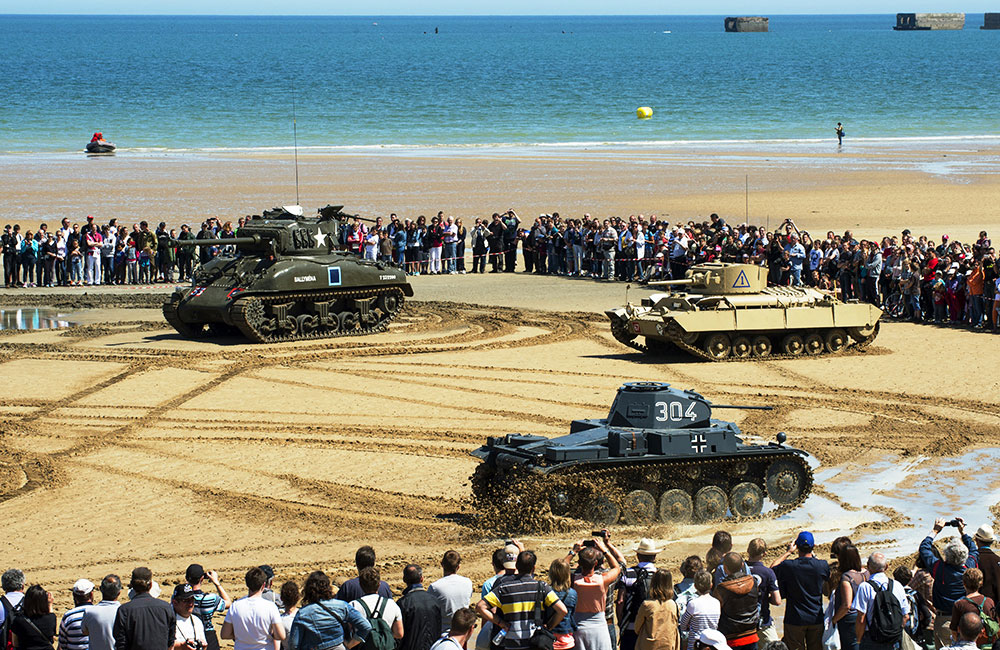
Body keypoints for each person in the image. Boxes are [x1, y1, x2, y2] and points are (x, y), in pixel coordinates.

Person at [476, 550, 568, 650]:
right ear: (533, 568)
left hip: (512, 644)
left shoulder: (504, 588)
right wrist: (549, 627)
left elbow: (480, 606)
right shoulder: (542, 587)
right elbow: (562, 610)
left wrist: (500, 623)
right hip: (535, 643)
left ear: (517, 566)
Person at [918, 518, 978, 649]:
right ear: (965, 556)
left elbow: (924, 549)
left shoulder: (939, 568)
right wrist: (963, 532)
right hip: (965, 619)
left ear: (946, 555)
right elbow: (974, 550)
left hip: (944, 619)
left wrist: (935, 531)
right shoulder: (969, 567)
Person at [770, 532, 829, 650]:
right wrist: (814, 556)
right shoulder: (822, 565)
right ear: (813, 546)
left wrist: (788, 552)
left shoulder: (789, 566)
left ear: (797, 547)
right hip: (815, 617)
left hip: (794, 618)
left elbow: (772, 569)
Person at [289, 571, 371, 650]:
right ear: (328, 587)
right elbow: (365, 626)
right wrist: (349, 645)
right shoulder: (342, 606)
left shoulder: (302, 613)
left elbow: (294, 645)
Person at [572, 537, 621, 650]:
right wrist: (604, 550)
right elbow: (616, 567)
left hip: (578, 626)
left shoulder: (574, 580)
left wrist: (573, 552)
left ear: (579, 563)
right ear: (595, 563)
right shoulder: (602, 580)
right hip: (599, 627)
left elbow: (560, 568)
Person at [852, 553, 908, 650]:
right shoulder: (897, 585)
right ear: (886, 566)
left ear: (868, 566)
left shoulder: (865, 587)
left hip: (872, 638)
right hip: (894, 640)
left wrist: (859, 640)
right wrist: (895, 633)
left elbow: (861, 619)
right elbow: (906, 616)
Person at [220, 567, 285, 650]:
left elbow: (225, 634)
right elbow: (281, 635)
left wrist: (240, 636)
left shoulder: (235, 606)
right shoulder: (271, 607)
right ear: (263, 585)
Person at [113, 568, 175, 650]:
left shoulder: (124, 610)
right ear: (151, 585)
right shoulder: (166, 608)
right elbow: (171, 643)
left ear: (132, 586)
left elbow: (121, 644)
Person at [619, 539, 663, 650]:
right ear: (654, 557)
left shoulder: (628, 573)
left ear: (638, 556)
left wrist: (621, 622)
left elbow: (620, 600)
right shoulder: (661, 575)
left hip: (631, 626)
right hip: (654, 628)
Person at [713, 553, 759, 650]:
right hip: (752, 634)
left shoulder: (722, 589)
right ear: (742, 565)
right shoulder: (753, 582)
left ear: (725, 568)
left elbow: (716, 612)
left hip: (731, 638)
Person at [350, 567, 403, 642]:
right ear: (379, 585)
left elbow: (349, 631)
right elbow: (399, 634)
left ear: (361, 585)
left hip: (361, 645)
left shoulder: (353, 605)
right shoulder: (392, 604)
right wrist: (383, 636)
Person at [185, 565, 231, 650]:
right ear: (202, 578)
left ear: (186, 578)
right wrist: (216, 583)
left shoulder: (181, 599)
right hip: (208, 636)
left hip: (188, 635)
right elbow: (228, 603)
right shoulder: (210, 598)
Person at [427, 552, 472, 635]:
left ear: (442, 564)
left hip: (443, 632)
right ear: (458, 567)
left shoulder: (435, 587)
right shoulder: (468, 582)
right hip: (463, 632)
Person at [745, 541, 781, 645]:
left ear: (748, 550)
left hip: (742, 622)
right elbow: (777, 601)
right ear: (764, 554)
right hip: (763, 621)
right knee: (774, 646)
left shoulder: (739, 569)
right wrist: (766, 598)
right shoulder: (768, 572)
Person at [397, 565, 441, 650]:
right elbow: (439, 628)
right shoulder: (434, 601)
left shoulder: (403, 603)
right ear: (422, 579)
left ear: (404, 580)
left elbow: (399, 634)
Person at [948, 568, 995, 647]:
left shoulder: (959, 604)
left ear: (964, 583)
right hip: (986, 645)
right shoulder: (989, 602)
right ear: (981, 583)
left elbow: (954, 631)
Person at [634, 570, 679, 650]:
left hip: (648, 646)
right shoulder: (673, 605)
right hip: (667, 644)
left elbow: (637, 628)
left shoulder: (647, 604)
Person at [831, 546, 865, 650]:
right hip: (864, 615)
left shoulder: (847, 577)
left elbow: (847, 605)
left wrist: (834, 619)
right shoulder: (866, 573)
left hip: (849, 619)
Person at [679, 572, 719, 650]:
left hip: (695, 645)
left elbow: (683, 626)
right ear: (711, 585)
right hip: (711, 644)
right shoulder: (717, 603)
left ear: (695, 586)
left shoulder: (693, 604)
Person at [82, 576, 122, 650]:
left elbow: (85, 632)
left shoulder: (89, 612)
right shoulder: (124, 612)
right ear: (119, 592)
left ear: (100, 589)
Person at [12, 585, 56, 650]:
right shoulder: (51, 618)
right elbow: (52, 638)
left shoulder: (18, 620)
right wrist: (50, 604)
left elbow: (15, 643)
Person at [59, 580, 95, 650]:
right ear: (91, 594)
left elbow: (62, 645)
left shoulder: (68, 616)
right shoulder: (99, 613)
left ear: (74, 596)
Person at [170, 585, 207, 650]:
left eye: (192, 599)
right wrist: (181, 646)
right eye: (186, 600)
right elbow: (161, 644)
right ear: (175, 602)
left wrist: (203, 646)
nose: (190, 604)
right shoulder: (167, 620)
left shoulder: (197, 621)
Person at [972, 525, 1000, 606]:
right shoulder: (998, 559)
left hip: (979, 606)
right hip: (997, 607)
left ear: (976, 540)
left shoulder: (974, 560)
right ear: (992, 542)